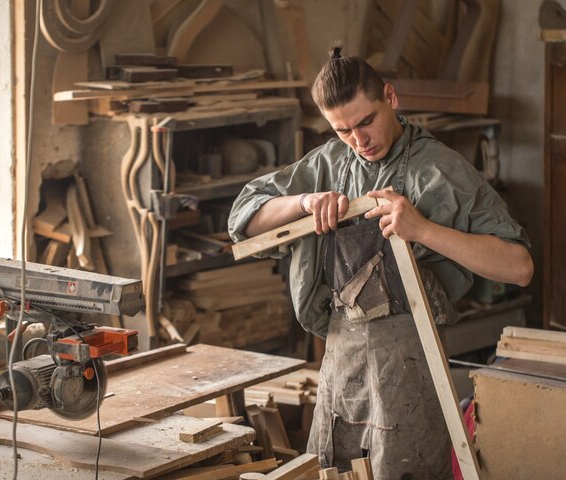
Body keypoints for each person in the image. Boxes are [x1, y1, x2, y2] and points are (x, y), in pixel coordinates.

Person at [228, 47, 533, 479]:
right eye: (343, 130)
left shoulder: (441, 170)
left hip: (411, 357)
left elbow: (519, 266)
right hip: (339, 358)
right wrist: (304, 201)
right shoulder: (329, 163)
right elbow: (243, 219)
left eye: (365, 121)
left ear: (390, 97)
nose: (359, 140)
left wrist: (423, 229)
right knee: (332, 469)